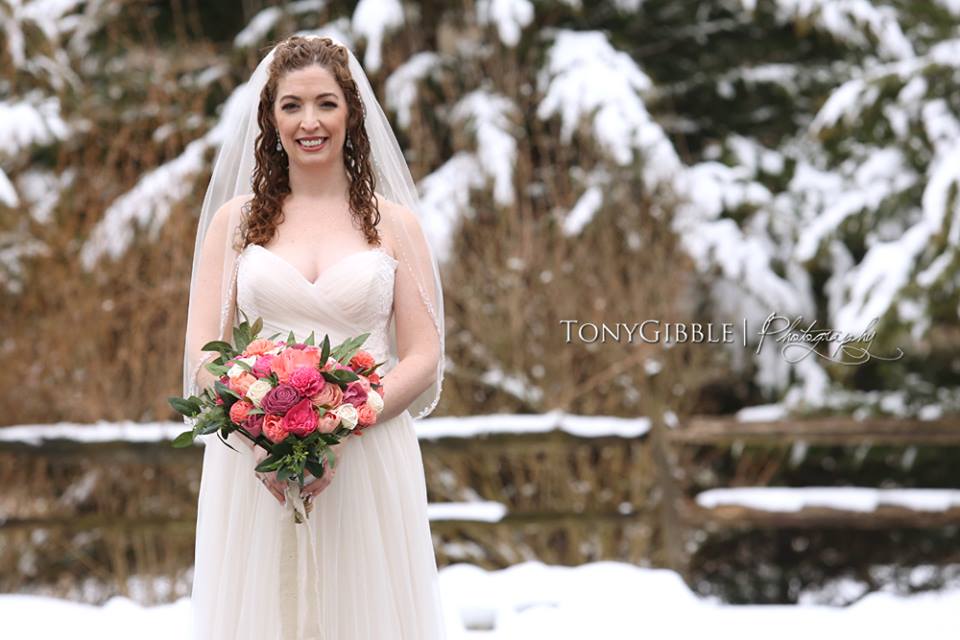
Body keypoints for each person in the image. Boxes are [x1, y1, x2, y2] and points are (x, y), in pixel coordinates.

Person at [181, 34, 447, 639]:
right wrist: (258, 432)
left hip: (370, 456)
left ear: (351, 113)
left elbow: (425, 354)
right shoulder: (237, 223)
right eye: (292, 105)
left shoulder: (394, 225)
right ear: (270, 118)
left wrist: (347, 422)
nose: (310, 122)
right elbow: (203, 348)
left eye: (326, 103)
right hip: (257, 460)